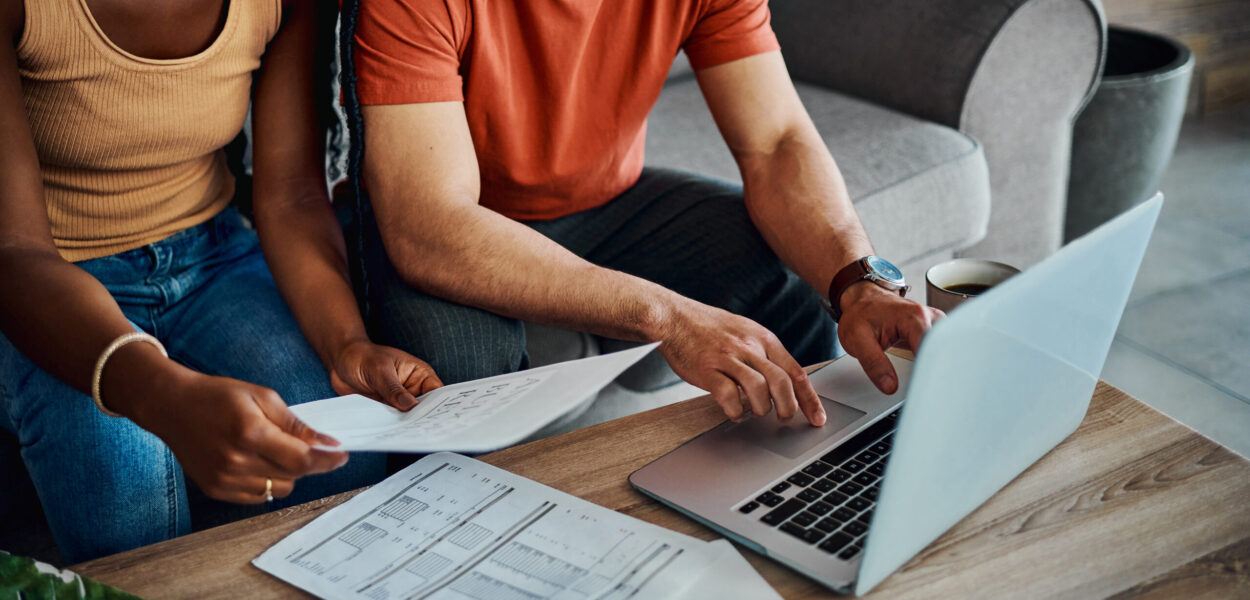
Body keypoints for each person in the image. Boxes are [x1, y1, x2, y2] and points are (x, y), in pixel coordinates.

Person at [338, 0, 944, 428]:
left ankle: (803, 492)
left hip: (610, 202)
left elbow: (776, 142)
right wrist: (666, 316)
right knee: (462, 373)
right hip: (460, 218)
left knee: (783, 279)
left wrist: (856, 282)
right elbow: (430, 226)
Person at [0, 0, 441, 562]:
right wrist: (162, 393)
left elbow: (292, 195)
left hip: (213, 257)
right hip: (47, 282)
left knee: (331, 442)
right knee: (121, 465)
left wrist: (346, 342)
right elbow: (14, 252)